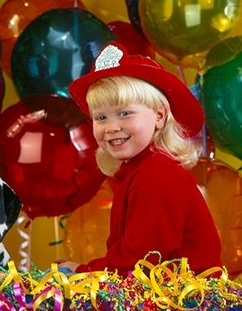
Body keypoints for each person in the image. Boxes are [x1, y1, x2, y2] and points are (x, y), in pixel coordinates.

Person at [54, 41, 222, 276]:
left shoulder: (155, 174)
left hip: (184, 306)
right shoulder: (138, 169)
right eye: (100, 117)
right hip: (158, 296)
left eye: (124, 113)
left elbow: (139, 261)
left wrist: (84, 272)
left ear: (160, 117)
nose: (111, 127)